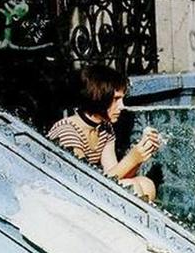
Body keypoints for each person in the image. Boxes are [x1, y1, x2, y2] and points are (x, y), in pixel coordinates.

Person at [48, 64, 161, 201]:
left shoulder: (104, 128)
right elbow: (81, 183)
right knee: (131, 187)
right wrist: (132, 158)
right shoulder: (68, 131)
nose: (122, 106)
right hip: (65, 197)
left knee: (146, 184)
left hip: (89, 189)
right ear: (99, 96)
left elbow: (114, 175)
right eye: (116, 99)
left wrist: (139, 157)